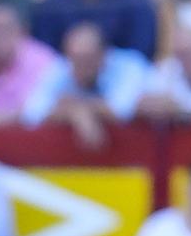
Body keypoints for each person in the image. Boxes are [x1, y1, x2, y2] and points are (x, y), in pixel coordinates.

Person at [21, 18, 153, 143]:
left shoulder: (129, 66)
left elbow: (122, 110)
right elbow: (32, 112)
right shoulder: (61, 68)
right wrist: (75, 113)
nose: (81, 66)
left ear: (104, 54)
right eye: (75, 60)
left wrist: (77, 108)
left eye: (87, 60)